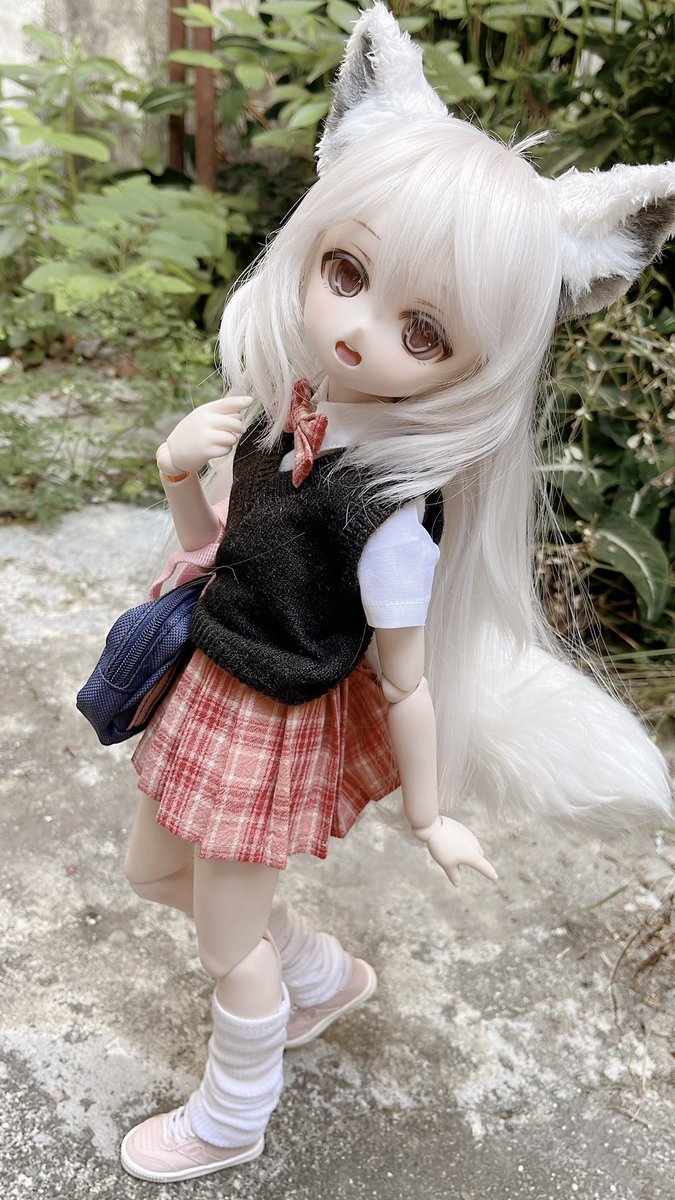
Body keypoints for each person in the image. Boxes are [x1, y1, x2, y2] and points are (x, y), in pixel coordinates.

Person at [117, 4, 674, 1183]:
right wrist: (177, 477)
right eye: (347, 273)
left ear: (480, 359)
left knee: (224, 946)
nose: (361, 332)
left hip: (268, 720)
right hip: (210, 680)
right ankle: (318, 975)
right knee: (151, 873)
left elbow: (408, 681)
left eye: (423, 330)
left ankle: (233, 1114)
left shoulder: (392, 517)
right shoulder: (291, 412)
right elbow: (221, 550)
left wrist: (432, 812)